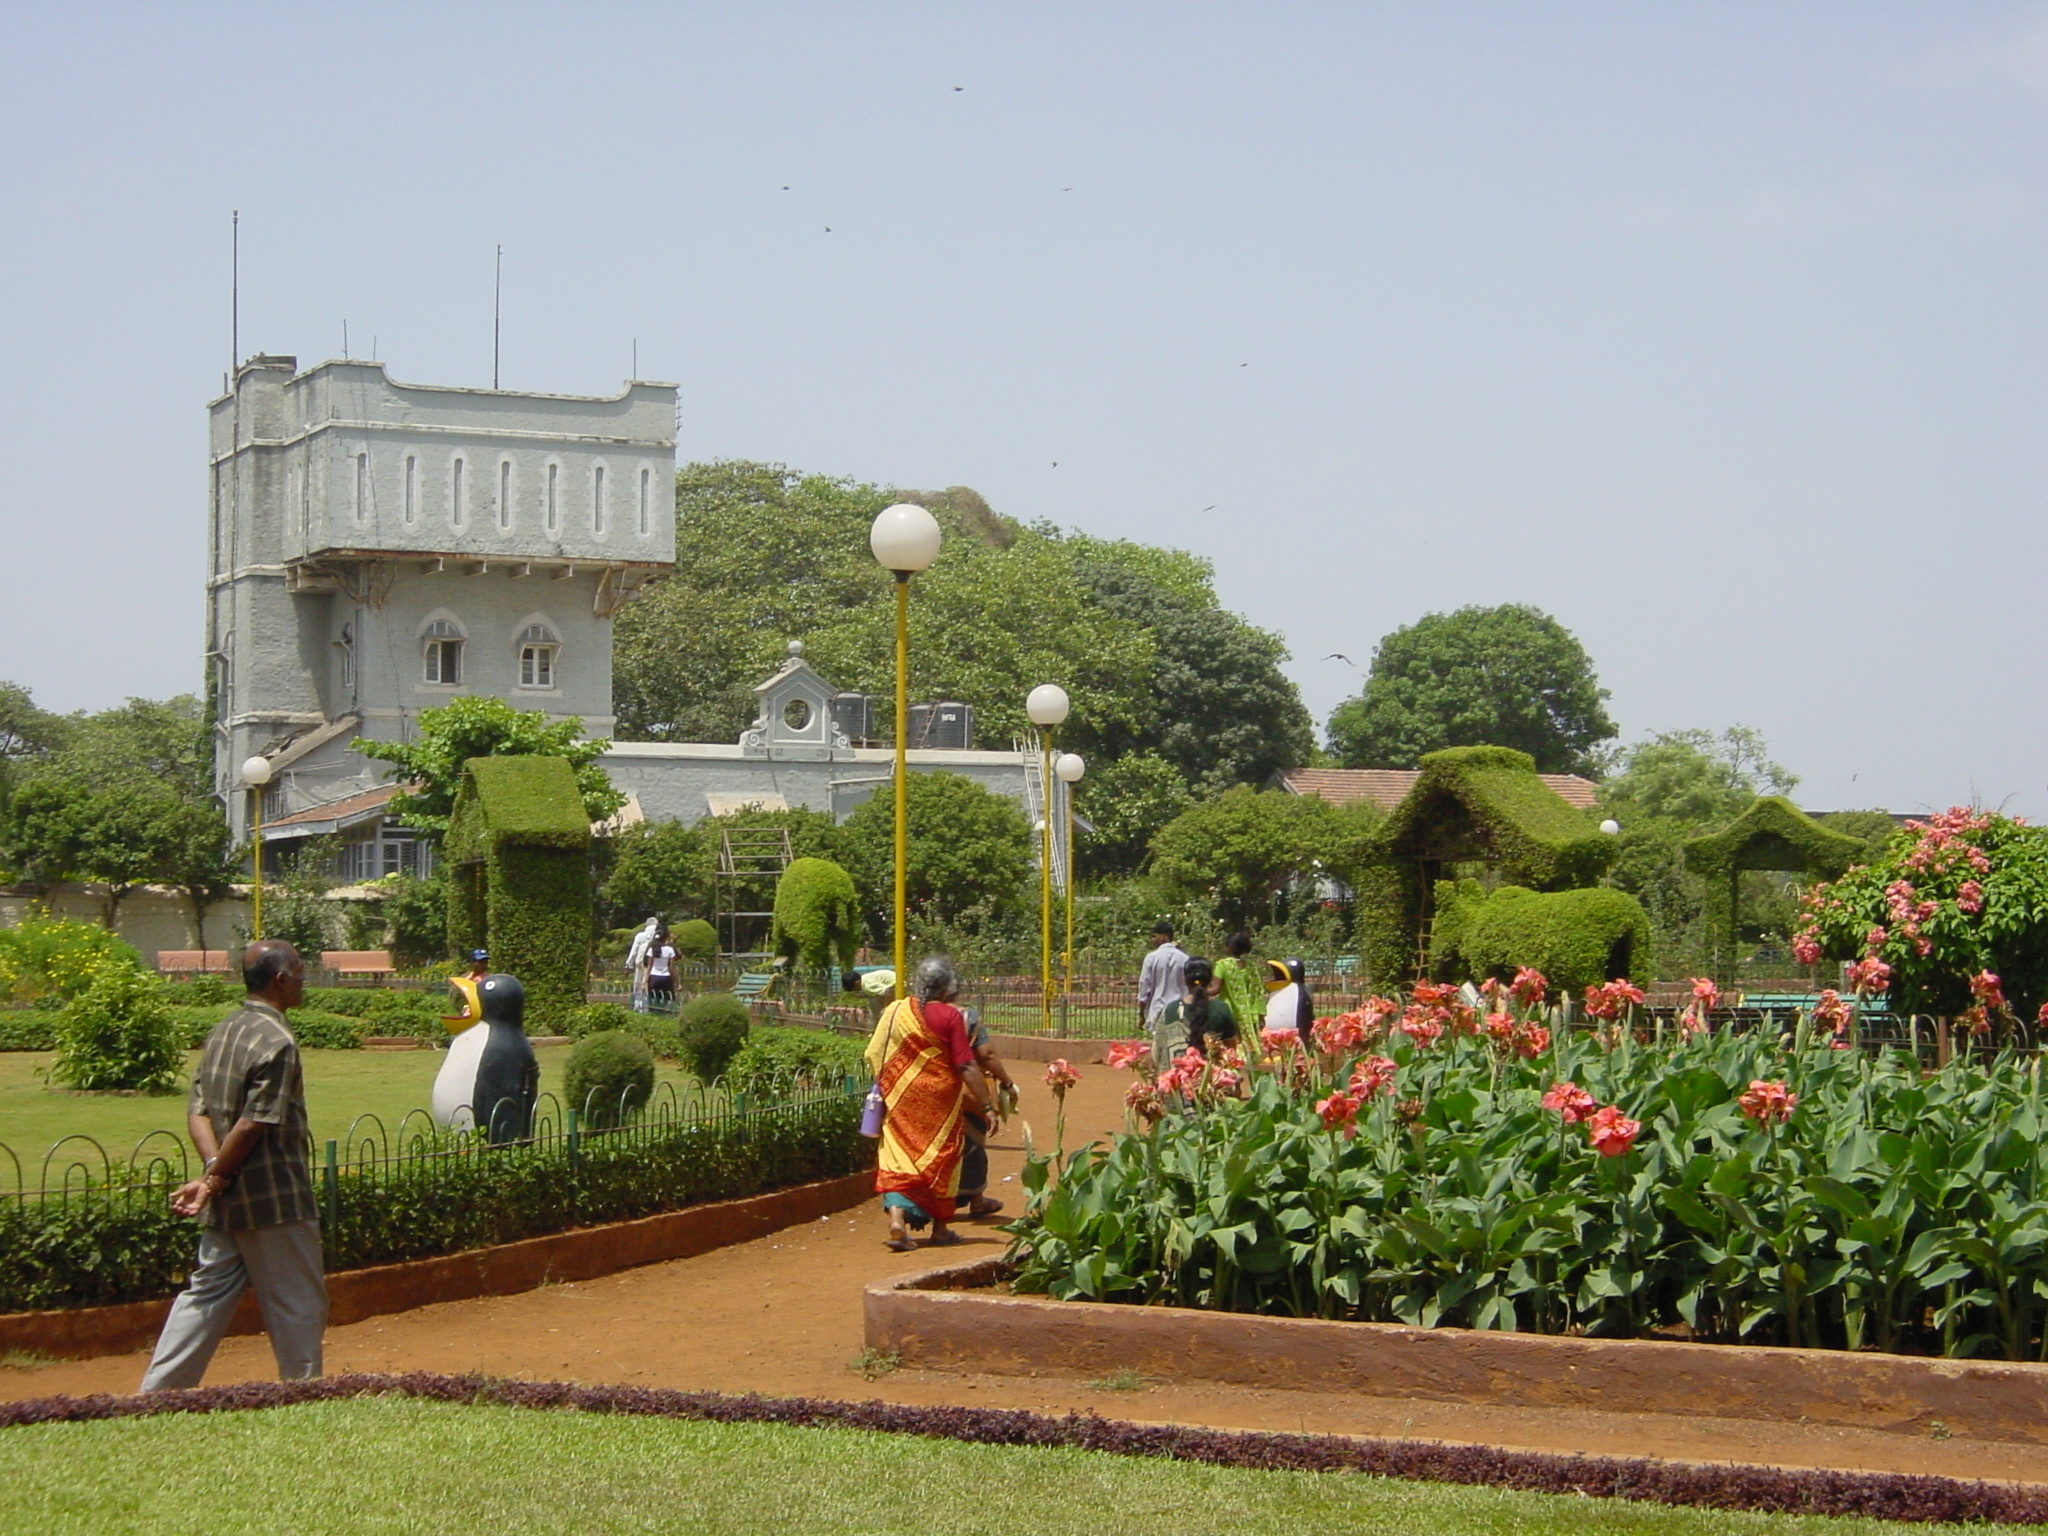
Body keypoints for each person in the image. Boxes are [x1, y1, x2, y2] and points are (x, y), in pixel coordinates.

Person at [140, 939, 326, 1391]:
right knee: (298, 1301)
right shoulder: (278, 1041)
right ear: (281, 979)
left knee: (205, 1295)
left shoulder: (224, 1030)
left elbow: (197, 1110)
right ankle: (304, 1396)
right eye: (300, 970)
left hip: (227, 1198)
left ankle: (156, 1396)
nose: (304, 978)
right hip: (275, 1197)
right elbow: (253, 1124)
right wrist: (216, 1176)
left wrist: (211, 1177)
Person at [864, 956, 996, 1252]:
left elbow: (874, 1052)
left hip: (901, 1097)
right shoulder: (950, 1017)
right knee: (942, 1158)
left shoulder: (895, 1011)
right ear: (948, 987)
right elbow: (966, 1065)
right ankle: (940, 1229)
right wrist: (987, 1106)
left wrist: (891, 1080)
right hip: (941, 1102)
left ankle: (897, 1220)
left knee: (898, 1156)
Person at [953, 1002, 1015, 1220]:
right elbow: (986, 1055)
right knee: (972, 1139)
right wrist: (1006, 1082)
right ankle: (976, 1200)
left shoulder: (918, 1016)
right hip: (967, 1089)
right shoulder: (967, 1016)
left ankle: (936, 1199)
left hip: (929, 1089)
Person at [1164, 956, 1238, 1059]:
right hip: (1212, 1073)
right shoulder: (1221, 1008)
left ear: (1184, 979)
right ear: (1211, 979)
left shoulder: (1172, 1009)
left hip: (1178, 1073)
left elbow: (1160, 1049)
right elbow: (1231, 1049)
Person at [1136, 921, 1189, 1061]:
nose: (1152, 940)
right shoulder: (1184, 958)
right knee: (1178, 1044)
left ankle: (1161, 1076)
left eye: (1154, 936)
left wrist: (1141, 1014)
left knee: (1158, 1047)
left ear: (1164, 937)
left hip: (1158, 1008)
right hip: (1180, 1008)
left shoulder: (1152, 958)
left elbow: (1144, 986)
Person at [1212, 932, 1263, 1047]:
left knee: (1230, 1044)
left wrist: (1199, 991)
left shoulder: (1222, 965)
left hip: (1228, 1010)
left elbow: (1216, 989)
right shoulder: (1250, 966)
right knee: (1245, 1044)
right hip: (1247, 1012)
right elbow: (1257, 990)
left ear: (1230, 947)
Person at [1264, 956, 1314, 1047]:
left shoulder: (1299, 991)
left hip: (1294, 1039)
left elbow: (1304, 1016)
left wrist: (1303, 1036)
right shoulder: (1277, 991)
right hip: (1273, 1038)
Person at [625, 917, 660, 1012]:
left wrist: (628, 964)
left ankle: (638, 1006)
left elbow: (634, 951)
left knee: (639, 983)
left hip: (641, 961)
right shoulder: (660, 935)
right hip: (656, 962)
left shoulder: (640, 936)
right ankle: (652, 1005)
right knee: (651, 983)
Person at [645, 925, 677, 1010]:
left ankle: (653, 1014)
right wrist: (677, 981)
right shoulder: (670, 950)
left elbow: (649, 967)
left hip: (654, 977)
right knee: (666, 998)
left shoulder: (652, 950)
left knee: (653, 999)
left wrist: (644, 981)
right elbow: (671, 967)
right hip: (665, 977)